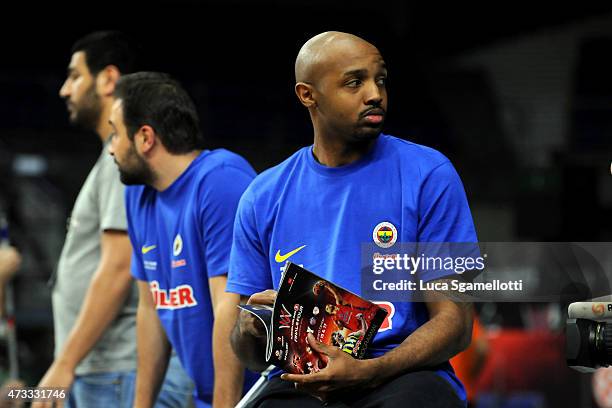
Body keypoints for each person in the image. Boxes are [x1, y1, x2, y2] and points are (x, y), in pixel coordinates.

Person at [228, 31, 476, 407]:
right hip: (302, 381)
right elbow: (247, 352)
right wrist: (251, 329)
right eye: (354, 82)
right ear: (307, 94)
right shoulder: (263, 195)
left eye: (380, 80)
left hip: (402, 375)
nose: (374, 93)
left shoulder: (428, 174)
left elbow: (456, 323)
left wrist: (372, 370)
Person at [35, 31, 193, 408]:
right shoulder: (114, 159)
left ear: (107, 78)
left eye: (74, 76)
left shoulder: (122, 161)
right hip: (103, 370)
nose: (64, 90)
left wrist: (64, 363)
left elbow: (119, 266)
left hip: (116, 370)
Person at [108, 72, 258, 407]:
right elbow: (150, 309)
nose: (111, 147)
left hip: (256, 396)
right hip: (205, 395)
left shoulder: (220, 180)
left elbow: (231, 306)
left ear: (145, 137)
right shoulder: (138, 196)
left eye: (115, 133)